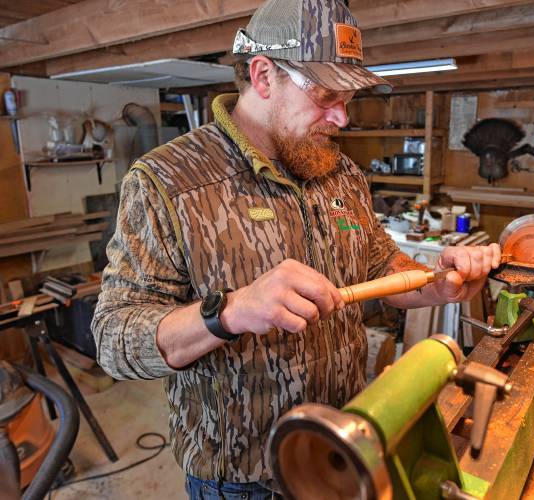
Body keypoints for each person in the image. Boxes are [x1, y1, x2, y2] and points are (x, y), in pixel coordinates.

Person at [92, 0, 501, 498]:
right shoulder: (167, 182)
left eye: (348, 99)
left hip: (347, 446)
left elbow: (380, 264)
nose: (343, 119)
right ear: (264, 76)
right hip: (244, 479)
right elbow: (114, 341)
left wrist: (440, 282)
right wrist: (231, 311)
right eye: (327, 95)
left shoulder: (340, 172)